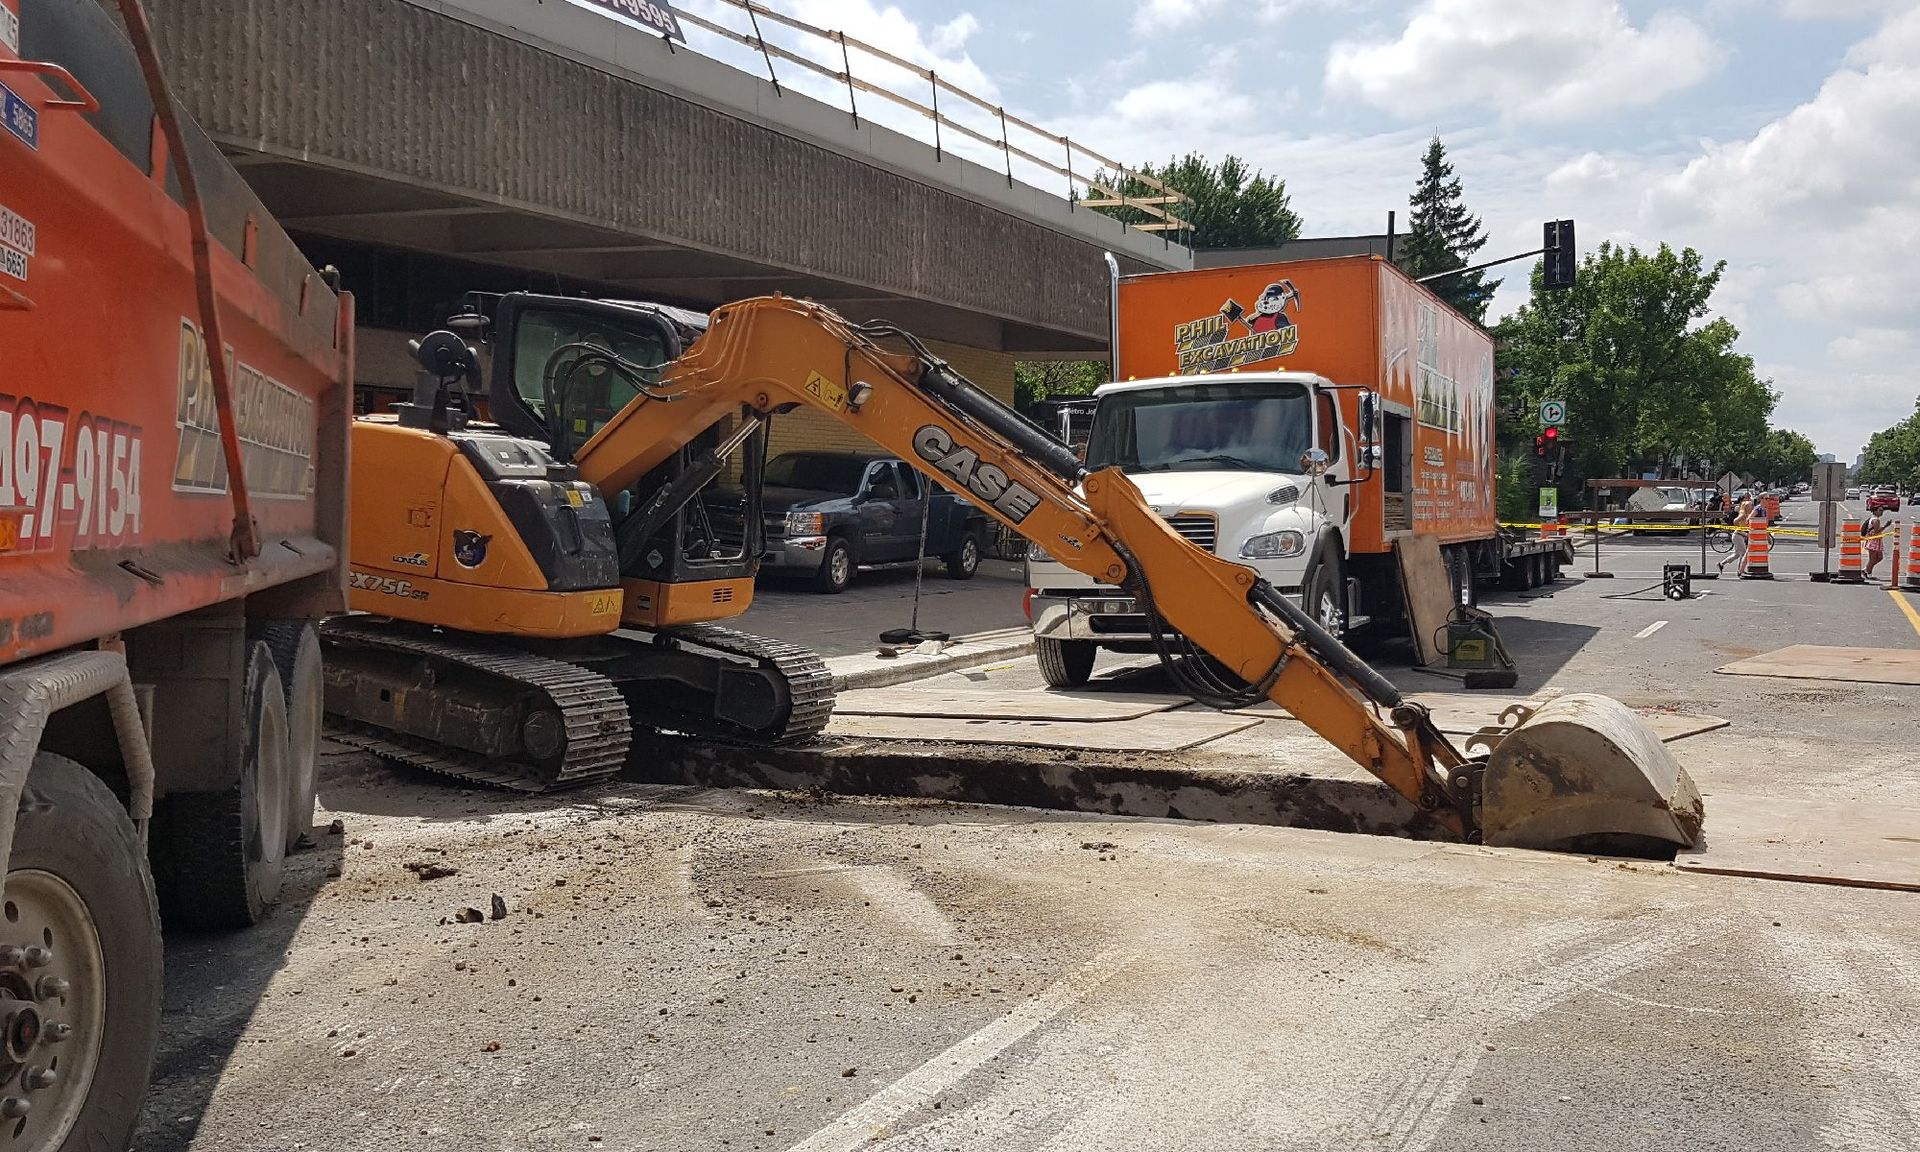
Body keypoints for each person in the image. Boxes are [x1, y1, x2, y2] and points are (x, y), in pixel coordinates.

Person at [1719, 493, 1755, 574]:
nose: (1751, 506)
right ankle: (1740, 571)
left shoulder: (1746, 513)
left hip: (1740, 535)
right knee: (1743, 554)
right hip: (1738, 535)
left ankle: (1721, 564)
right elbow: (1735, 521)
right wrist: (1741, 529)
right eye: (1750, 505)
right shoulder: (1742, 512)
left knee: (1736, 554)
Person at [1865, 506, 1888, 577]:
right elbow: (1877, 531)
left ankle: (1867, 570)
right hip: (1874, 541)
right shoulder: (1875, 520)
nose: (1882, 512)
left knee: (1879, 557)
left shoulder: (1875, 519)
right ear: (1875, 511)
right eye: (1880, 510)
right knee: (1873, 558)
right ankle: (1868, 572)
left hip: (1876, 540)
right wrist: (1885, 526)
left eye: (1882, 510)